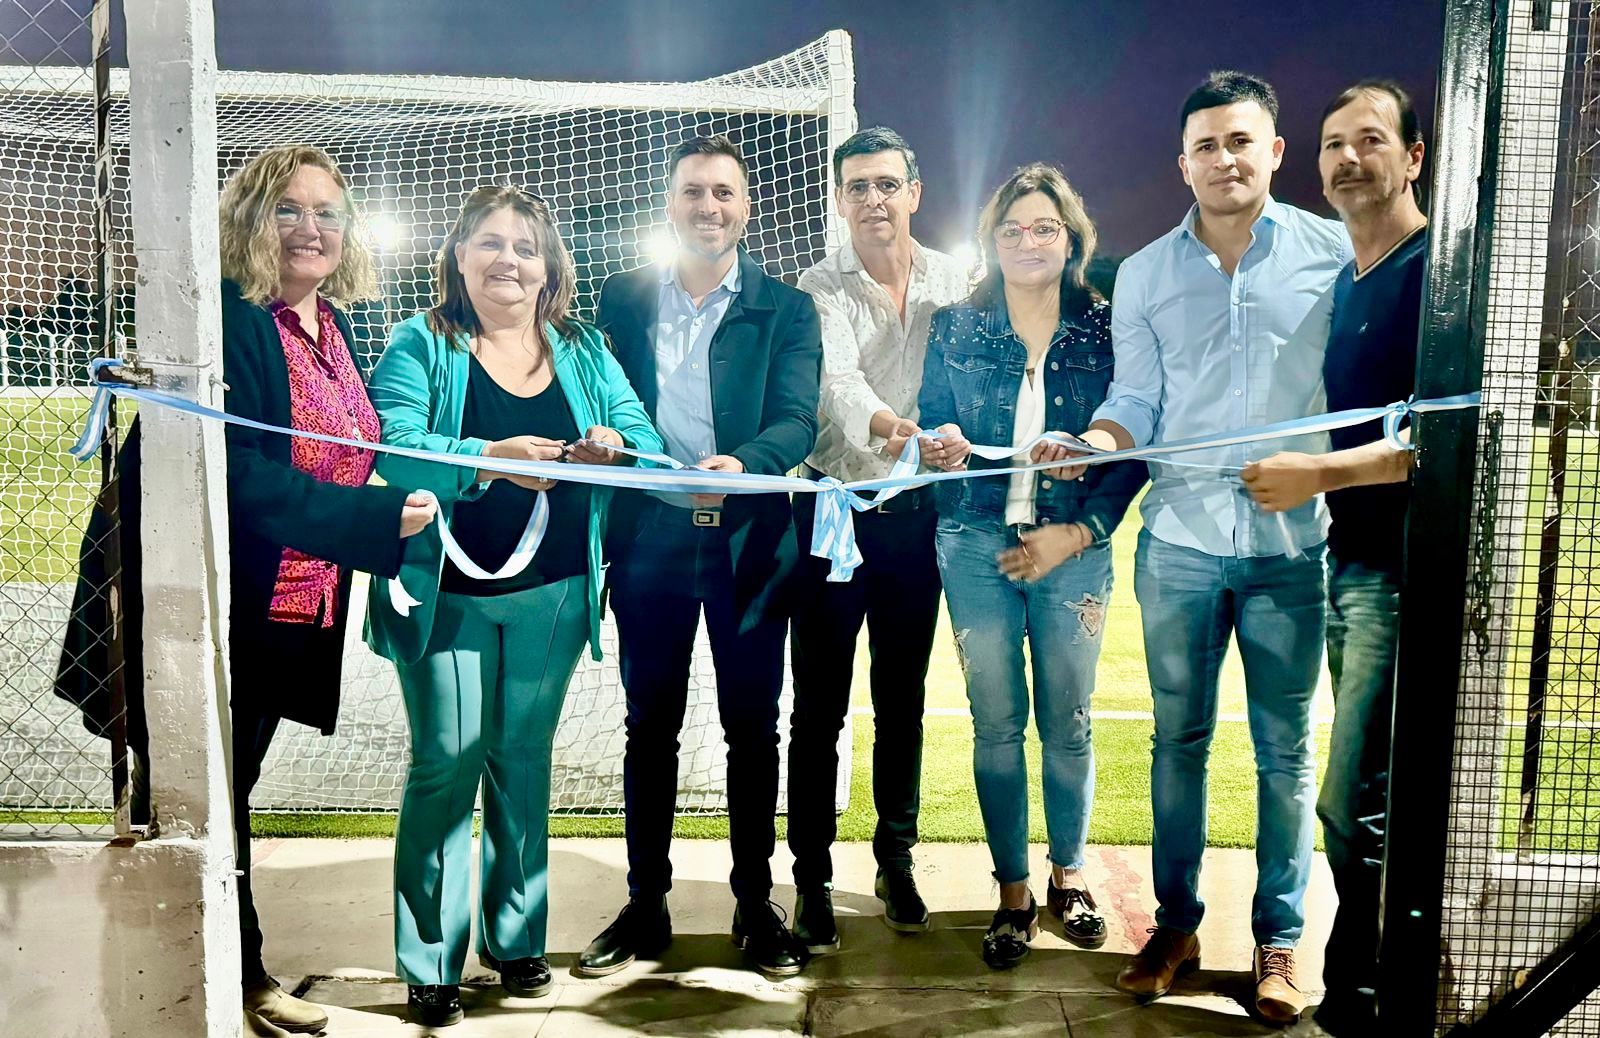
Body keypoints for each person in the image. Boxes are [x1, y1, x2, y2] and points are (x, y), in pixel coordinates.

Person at [58, 144, 438, 1038]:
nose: (313, 228)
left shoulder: (329, 327)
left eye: (329, 212)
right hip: (210, 607)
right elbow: (240, 476)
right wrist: (382, 522)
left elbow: (346, 447)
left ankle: (224, 968)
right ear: (248, 222)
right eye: (289, 210)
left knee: (234, 787)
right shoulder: (231, 324)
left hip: (289, 609)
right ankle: (227, 979)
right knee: (206, 796)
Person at [1068, 72, 1351, 1024]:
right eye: (1206, 147)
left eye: (1242, 142)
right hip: (1181, 545)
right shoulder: (1145, 272)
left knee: (1284, 754)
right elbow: (1136, 401)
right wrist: (1098, 441)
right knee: (1177, 744)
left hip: (1290, 547)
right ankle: (1176, 925)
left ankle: (1279, 943)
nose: (1223, 160)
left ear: (1274, 151)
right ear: (1181, 163)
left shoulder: (1334, 252)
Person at [364, 186, 661, 1029]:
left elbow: (637, 436)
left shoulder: (584, 348)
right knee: (446, 762)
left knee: (523, 759)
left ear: (549, 268)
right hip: (447, 593)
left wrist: (612, 446)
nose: (509, 260)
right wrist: (487, 456)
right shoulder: (422, 342)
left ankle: (517, 938)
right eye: (489, 244)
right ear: (459, 259)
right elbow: (395, 448)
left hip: (557, 591)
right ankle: (430, 959)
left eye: (526, 247)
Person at [576, 133, 822, 980]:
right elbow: (597, 395)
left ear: (746, 207)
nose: (707, 206)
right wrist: (602, 439)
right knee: (651, 729)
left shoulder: (787, 308)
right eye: (692, 192)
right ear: (670, 203)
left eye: (723, 192)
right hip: (650, 542)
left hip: (753, 546)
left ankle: (757, 906)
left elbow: (797, 421)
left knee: (754, 732)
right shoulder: (622, 299)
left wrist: (745, 466)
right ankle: (647, 905)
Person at [917, 162, 1146, 969]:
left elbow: (1135, 448)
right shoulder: (956, 325)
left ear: (1072, 238)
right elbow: (931, 422)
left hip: (1071, 548)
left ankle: (1068, 876)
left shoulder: (1109, 326)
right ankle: (1012, 889)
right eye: (1012, 229)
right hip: (975, 542)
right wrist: (937, 445)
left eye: (1044, 226)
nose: (1027, 240)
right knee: (997, 723)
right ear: (992, 242)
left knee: (1069, 722)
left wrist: (1083, 530)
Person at [1240, 80, 1428, 1037]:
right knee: (1360, 801)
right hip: (1346, 568)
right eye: (1333, 144)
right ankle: (1363, 983)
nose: (1348, 159)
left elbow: (1443, 439)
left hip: (1398, 574)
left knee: (1357, 802)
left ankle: (1367, 997)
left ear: (1414, 157)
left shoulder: (1438, 273)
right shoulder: (1351, 276)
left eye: (1370, 140)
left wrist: (1314, 472)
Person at [784, 126, 971, 954]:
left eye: (887, 184)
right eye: (856, 186)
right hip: (835, 512)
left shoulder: (954, 281)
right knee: (818, 707)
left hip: (917, 522)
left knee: (904, 701)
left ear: (915, 193)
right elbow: (836, 382)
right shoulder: (818, 283)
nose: (872, 200)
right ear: (838, 196)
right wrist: (902, 431)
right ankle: (812, 880)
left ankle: (895, 860)